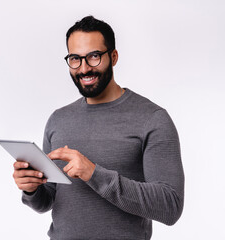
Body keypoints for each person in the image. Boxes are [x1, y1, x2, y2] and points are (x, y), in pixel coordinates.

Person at [12, 16, 184, 240]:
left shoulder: (152, 118)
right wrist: (31, 188)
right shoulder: (58, 120)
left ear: (113, 57)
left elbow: (169, 207)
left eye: (94, 57)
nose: (84, 69)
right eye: (75, 58)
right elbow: (49, 200)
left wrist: (94, 174)